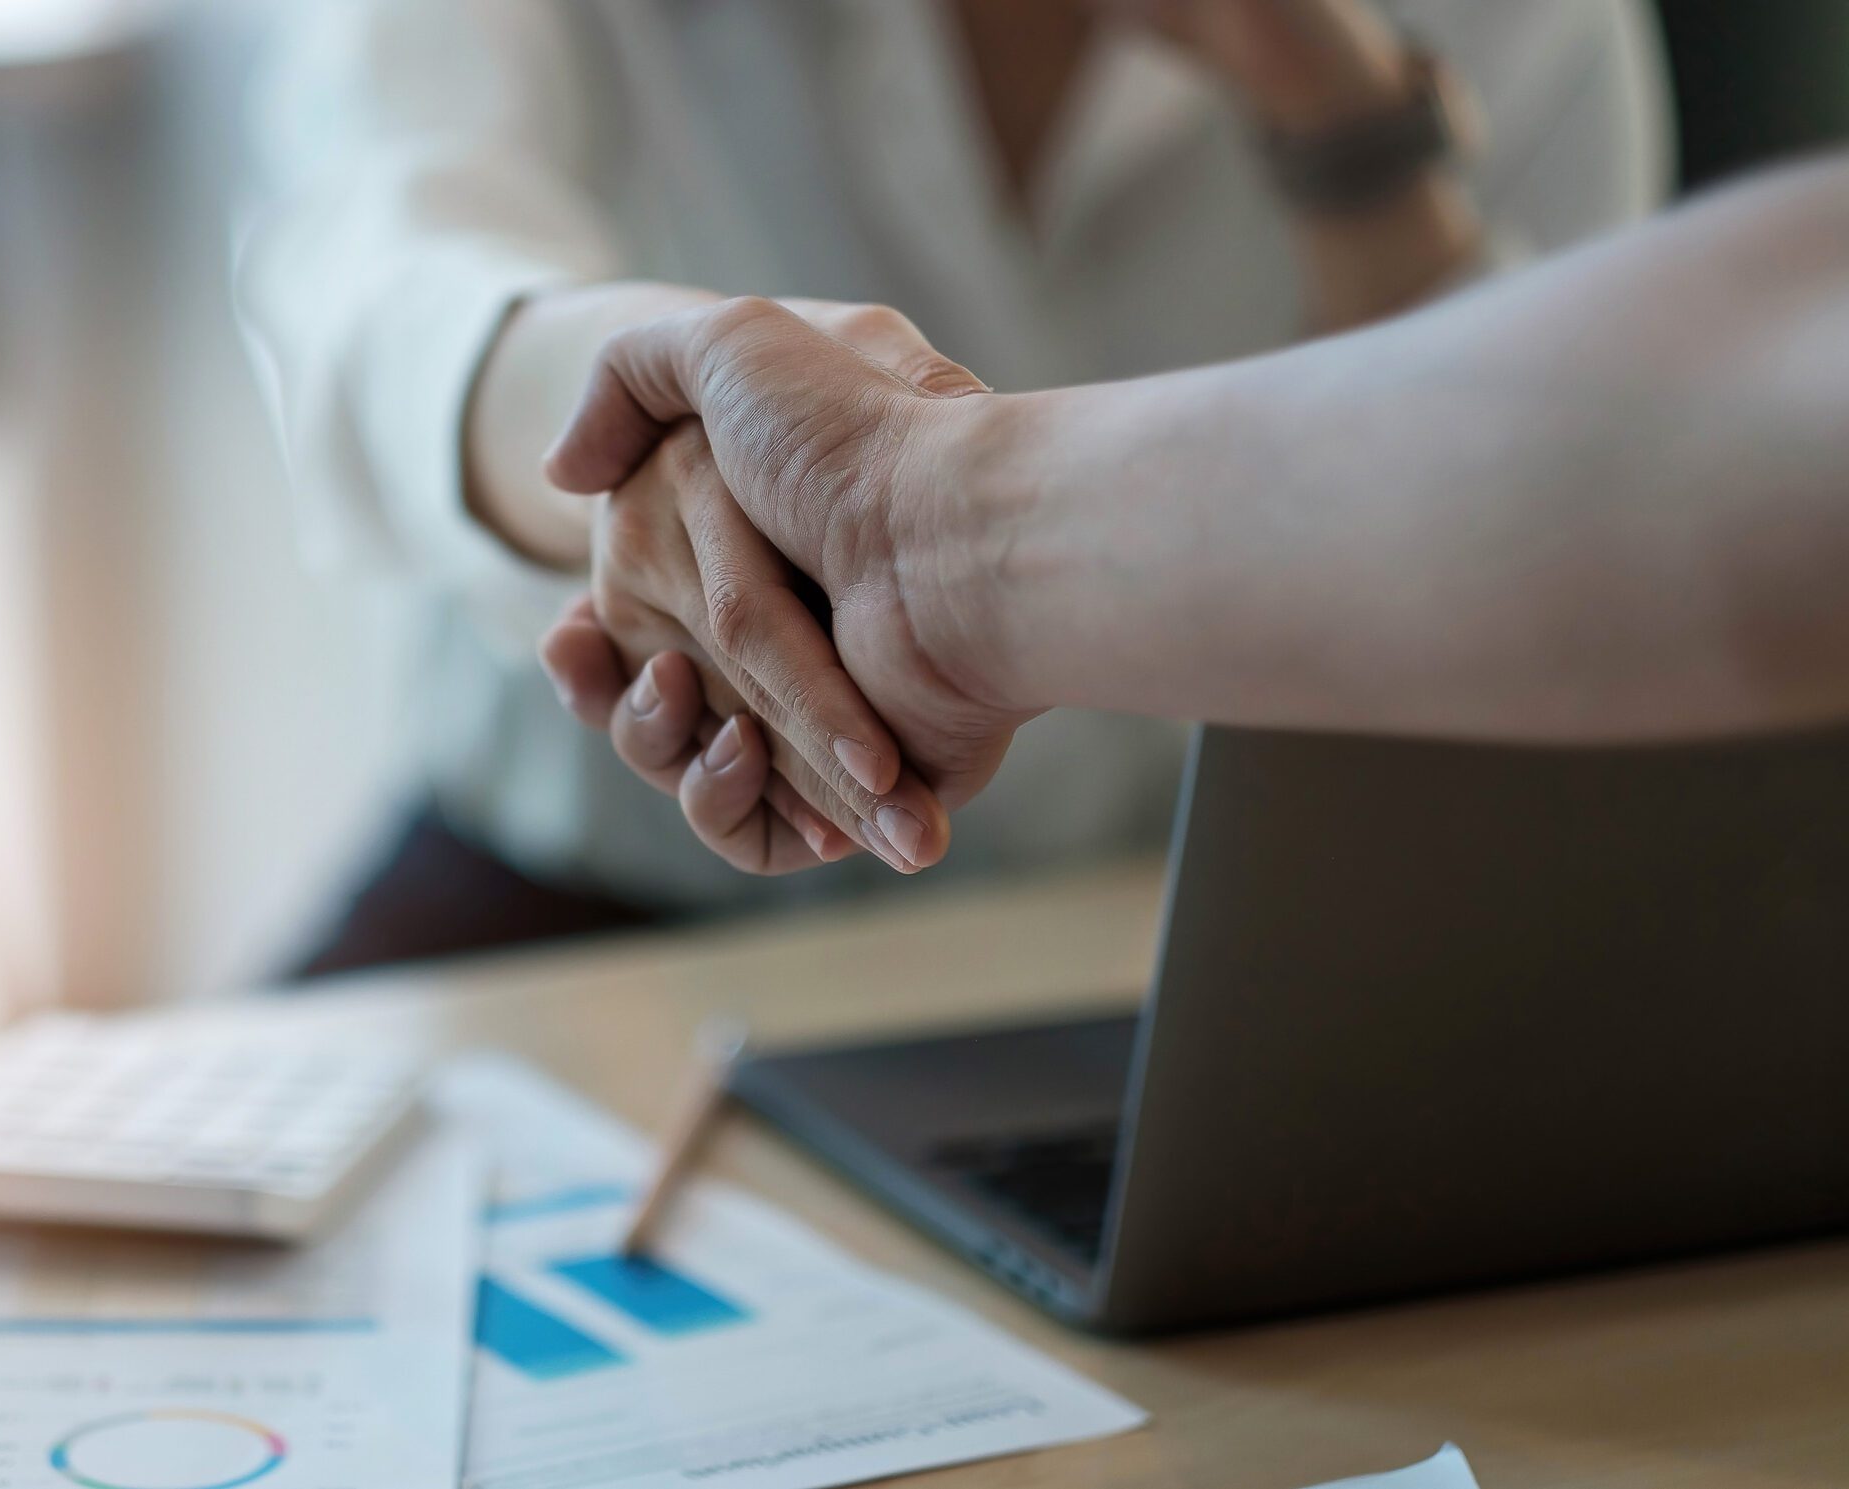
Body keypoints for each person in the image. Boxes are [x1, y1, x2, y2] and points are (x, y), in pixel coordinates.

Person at [237, 0, 1668, 967]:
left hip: (1216, 948)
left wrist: (1342, 114)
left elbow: (1574, 554)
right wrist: (660, 425)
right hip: (586, 908)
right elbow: (370, 281)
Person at [537, 153, 1849, 872]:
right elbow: (379, 292)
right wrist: (904, 532)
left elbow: (1604, 485)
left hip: (1201, 901)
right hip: (579, 882)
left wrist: (923, 540)